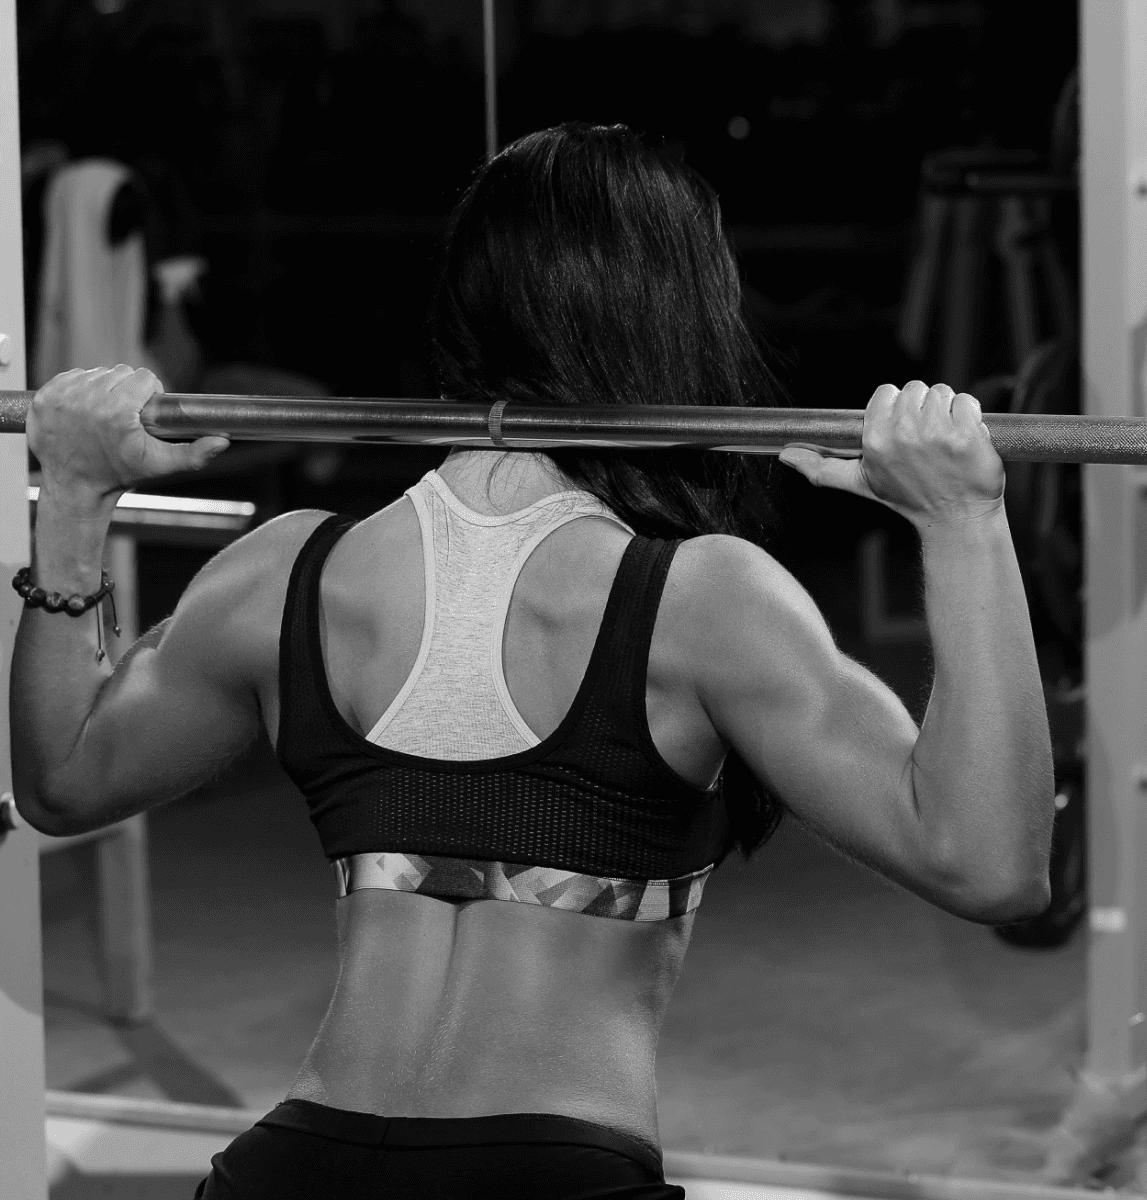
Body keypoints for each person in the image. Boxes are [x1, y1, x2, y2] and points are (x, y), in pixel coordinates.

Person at [11, 124, 1054, 1200]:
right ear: (680, 316)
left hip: (292, 1171)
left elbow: (64, 779)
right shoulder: (701, 602)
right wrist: (963, 523)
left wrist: (75, 498)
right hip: (546, 1176)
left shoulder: (286, 574)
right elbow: (991, 865)